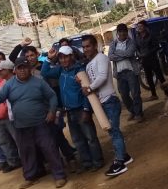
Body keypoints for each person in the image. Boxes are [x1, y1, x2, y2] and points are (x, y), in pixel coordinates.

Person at [0, 57, 67, 189]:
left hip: (41, 123)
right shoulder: (9, 84)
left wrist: (52, 111)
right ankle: (30, 177)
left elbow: (52, 96)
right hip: (21, 126)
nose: (23, 70)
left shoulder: (39, 82)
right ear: (15, 70)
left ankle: (59, 175)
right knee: (26, 152)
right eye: (20, 68)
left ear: (30, 69)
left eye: (25, 67)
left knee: (49, 149)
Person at [42, 46, 104, 172]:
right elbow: (45, 73)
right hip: (69, 111)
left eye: (65, 57)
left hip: (81, 109)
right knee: (77, 139)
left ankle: (97, 161)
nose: (63, 60)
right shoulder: (60, 70)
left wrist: (86, 109)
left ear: (71, 56)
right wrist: (48, 58)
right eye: (61, 58)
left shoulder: (80, 70)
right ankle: (86, 162)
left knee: (90, 137)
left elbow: (86, 92)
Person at [79, 34, 133, 177]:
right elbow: (92, 81)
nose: (85, 49)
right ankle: (125, 156)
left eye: (88, 46)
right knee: (112, 131)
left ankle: (120, 162)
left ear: (95, 46)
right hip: (103, 102)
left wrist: (89, 88)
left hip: (110, 101)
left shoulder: (101, 58)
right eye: (83, 47)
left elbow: (102, 77)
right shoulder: (89, 64)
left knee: (114, 132)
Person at [108, 23, 143, 123]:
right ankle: (133, 111)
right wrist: (124, 55)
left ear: (127, 32)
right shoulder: (113, 44)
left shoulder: (131, 42)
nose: (123, 33)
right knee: (124, 95)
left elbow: (129, 53)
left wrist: (117, 53)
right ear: (118, 33)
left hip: (131, 72)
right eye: (121, 31)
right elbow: (110, 56)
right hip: (119, 74)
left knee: (135, 94)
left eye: (124, 31)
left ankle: (138, 114)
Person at [134, 20, 165, 101]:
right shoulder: (137, 37)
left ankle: (167, 92)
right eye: (138, 26)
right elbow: (137, 48)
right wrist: (139, 54)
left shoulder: (151, 35)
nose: (139, 28)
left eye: (141, 26)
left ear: (145, 27)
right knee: (149, 78)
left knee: (160, 76)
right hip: (144, 60)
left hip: (153, 59)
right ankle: (154, 95)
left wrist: (148, 53)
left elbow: (157, 46)